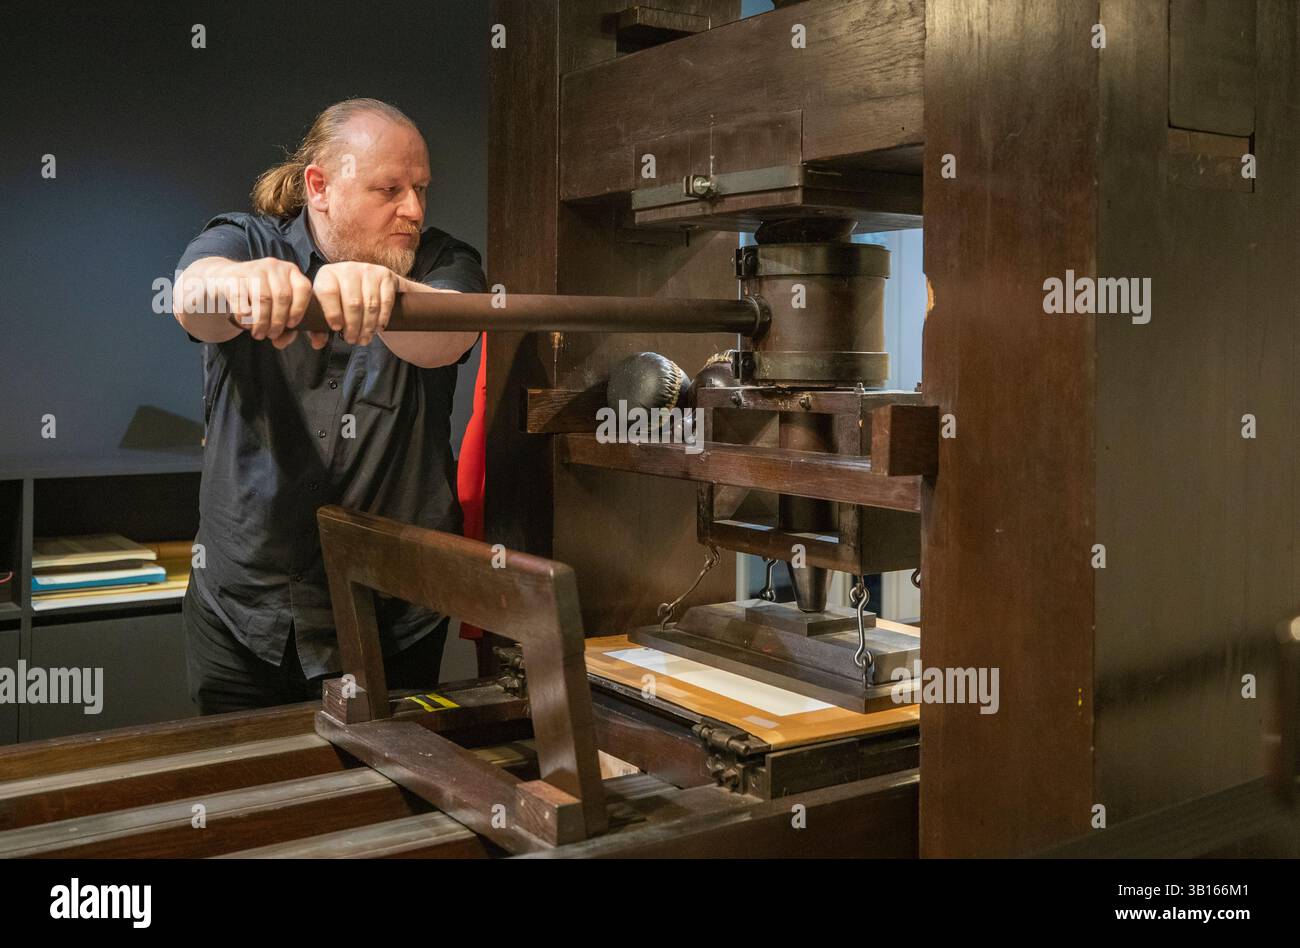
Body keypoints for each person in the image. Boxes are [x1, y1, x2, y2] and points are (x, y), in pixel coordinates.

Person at [172, 97, 485, 714]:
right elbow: (192, 296)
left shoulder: (446, 263)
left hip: (393, 617)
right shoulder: (244, 240)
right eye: (389, 189)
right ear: (319, 186)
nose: (414, 210)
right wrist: (238, 283)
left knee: (389, 801)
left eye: (420, 188)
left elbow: (450, 337)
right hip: (243, 618)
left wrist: (391, 290)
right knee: (240, 796)